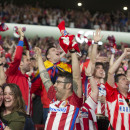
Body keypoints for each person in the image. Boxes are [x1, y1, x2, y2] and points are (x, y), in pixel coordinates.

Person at [35, 45, 82, 129]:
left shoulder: (74, 101)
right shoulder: (53, 97)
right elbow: (44, 76)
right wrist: (39, 56)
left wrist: (73, 52)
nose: (55, 85)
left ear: (68, 85)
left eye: (58, 82)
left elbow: (76, 76)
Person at [31, 45, 71, 124]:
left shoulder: (66, 67)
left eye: (57, 50)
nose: (57, 51)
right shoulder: (43, 67)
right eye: (53, 50)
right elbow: (35, 86)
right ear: (48, 56)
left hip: (64, 105)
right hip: (48, 105)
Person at [6, 28, 31, 113]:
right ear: (20, 63)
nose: (30, 62)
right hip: (15, 113)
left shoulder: (27, 78)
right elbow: (17, 58)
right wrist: (21, 38)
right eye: (27, 60)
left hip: (26, 114)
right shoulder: (13, 73)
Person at [106, 48, 130, 130]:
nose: (127, 81)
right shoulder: (112, 94)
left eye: (127, 79)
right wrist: (124, 55)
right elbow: (110, 72)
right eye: (123, 79)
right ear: (116, 84)